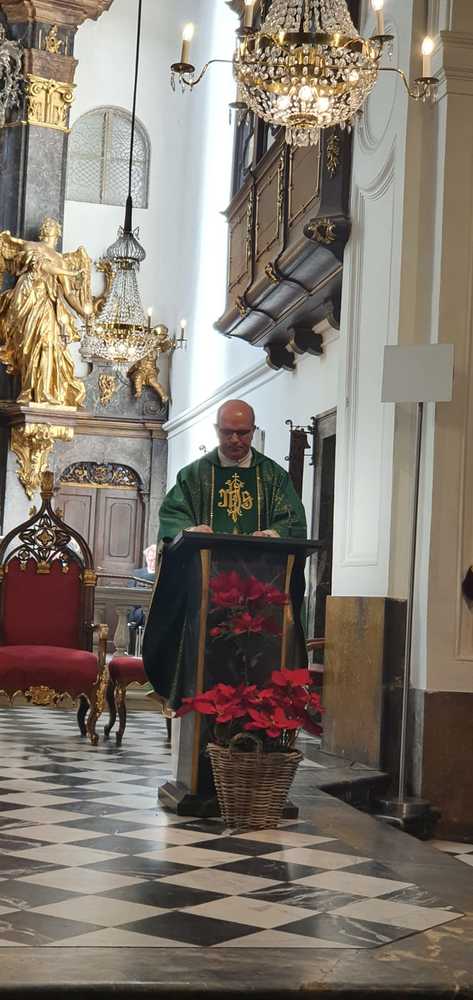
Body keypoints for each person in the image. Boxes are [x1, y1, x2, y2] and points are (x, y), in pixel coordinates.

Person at [158, 399, 307, 541]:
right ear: (216, 430)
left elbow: (292, 521)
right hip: (204, 558)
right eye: (227, 432)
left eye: (242, 433)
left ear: (253, 431)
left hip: (260, 559)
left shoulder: (273, 475)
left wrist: (270, 535)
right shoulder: (193, 475)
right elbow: (173, 516)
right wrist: (192, 531)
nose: (235, 439)